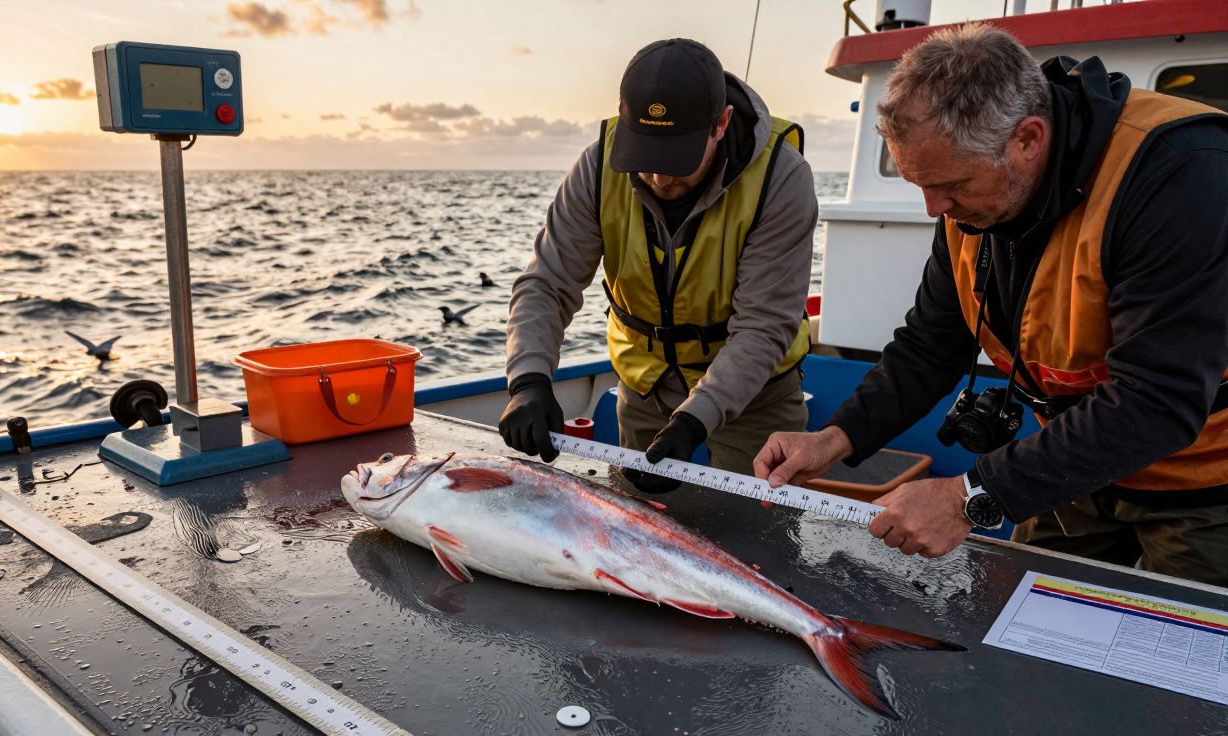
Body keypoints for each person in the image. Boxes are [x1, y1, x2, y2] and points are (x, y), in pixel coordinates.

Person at [755, 23, 1228, 585]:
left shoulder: (1182, 172)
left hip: (1205, 483)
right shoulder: (970, 197)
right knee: (1015, 619)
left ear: (1027, 139)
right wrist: (833, 439)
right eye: (919, 185)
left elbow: (1158, 399)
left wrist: (967, 496)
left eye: (951, 184)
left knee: (1187, 659)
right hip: (1077, 463)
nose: (934, 208)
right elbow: (933, 342)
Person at [501, 38, 817, 491]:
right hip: (645, 389)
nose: (660, 177)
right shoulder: (595, 168)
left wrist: (694, 420)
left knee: (757, 538)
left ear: (722, 123)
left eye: (677, 158)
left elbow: (764, 327)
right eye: (646, 156)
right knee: (636, 539)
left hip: (757, 397)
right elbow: (547, 283)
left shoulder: (782, 179)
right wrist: (528, 380)